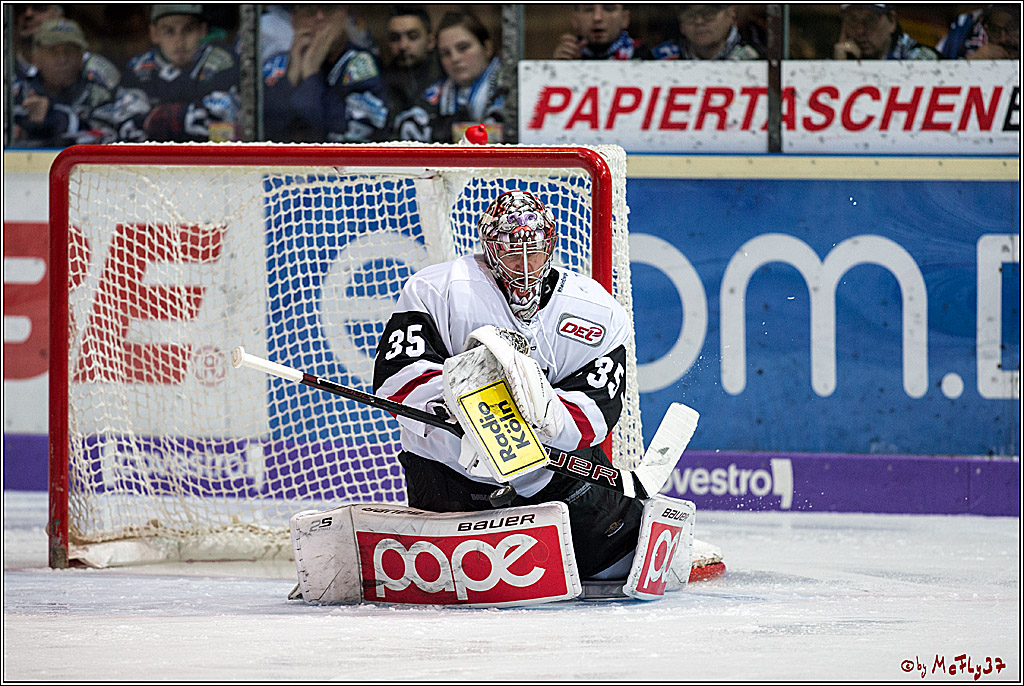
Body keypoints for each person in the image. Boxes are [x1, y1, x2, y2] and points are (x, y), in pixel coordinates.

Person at [372, 190, 642, 581]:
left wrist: (539, 418)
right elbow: (399, 376)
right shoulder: (437, 289)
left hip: (552, 471)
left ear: (550, 244)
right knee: (451, 582)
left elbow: (596, 409)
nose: (525, 265)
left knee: (618, 565)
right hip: (447, 464)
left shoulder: (596, 311)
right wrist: (458, 407)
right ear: (489, 248)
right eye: (512, 252)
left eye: (534, 250)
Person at [262, 4, 388, 142]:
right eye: (309, 11)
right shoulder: (282, 63)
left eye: (329, 8)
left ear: (345, 17)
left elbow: (331, 137)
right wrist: (291, 76)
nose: (319, 18)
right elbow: (267, 133)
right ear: (294, 20)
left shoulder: (360, 63)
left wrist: (310, 74)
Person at [114, 4, 240, 142]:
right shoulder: (138, 68)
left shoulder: (223, 62)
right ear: (154, 34)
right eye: (169, 31)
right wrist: (186, 119)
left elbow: (224, 122)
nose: (179, 42)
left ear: (202, 30)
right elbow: (126, 126)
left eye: (188, 30)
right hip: (155, 160)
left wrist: (156, 120)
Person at [393, 10, 505, 143]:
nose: (455, 58)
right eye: (446, 53)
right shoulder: (438, 91)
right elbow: (406, 126)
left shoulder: (510, 86)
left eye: (463, 48)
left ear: (487, 47)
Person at [11, 17, 117, 147]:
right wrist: (21, 131)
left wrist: (55, 119)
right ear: (35, 57)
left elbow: (109, 138)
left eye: (69, 51)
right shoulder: (15, 93)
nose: (62, 59)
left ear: (81, 56)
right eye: (53, 51)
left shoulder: (98, 92)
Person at [14, 4, 121, 90]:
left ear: (60, 15)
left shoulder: (96, 70)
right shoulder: (6, 69)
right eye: (20, 9)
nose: (28, 14)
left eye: (40, 7)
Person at [381, 5, 442, 138]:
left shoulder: (448, 76)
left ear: (431, 41)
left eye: (412, 36)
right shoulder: (379, 82)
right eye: (395, 38)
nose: (403, 46)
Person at [652, 4, 765, 60]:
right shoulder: (659, 58)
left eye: (708, 14)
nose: (698, 21)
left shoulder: (760, 59)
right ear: (681, 23)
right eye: (690, 15)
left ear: (731, 14)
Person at [832, 3, 939, 60]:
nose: (860, 30)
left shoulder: (916, 58)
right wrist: (841, 69)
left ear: (892, 22)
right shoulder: (845, 56)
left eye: (871, 20)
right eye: (853, 20)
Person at [552, 4, 652, 59]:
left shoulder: (647, 57)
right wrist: (558, 69)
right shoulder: (568, 58)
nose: (597, 17)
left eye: (608, 9)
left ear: (625, 19)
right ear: (575, 20)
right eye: (588, 9)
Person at [936, 4, 1020, 60]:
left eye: (1013, 28)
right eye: (994, 29)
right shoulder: (964, 27)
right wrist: (972, 64)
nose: (1003, 38)